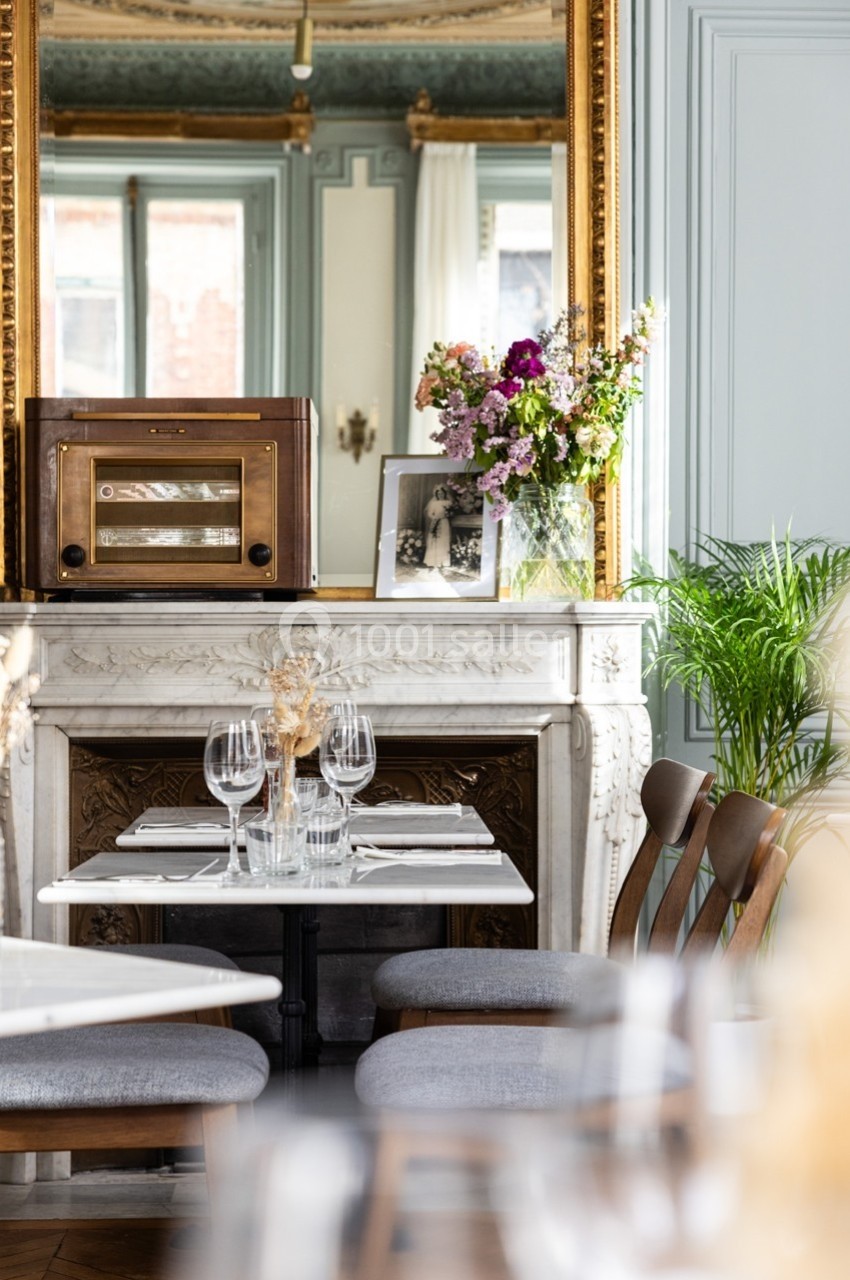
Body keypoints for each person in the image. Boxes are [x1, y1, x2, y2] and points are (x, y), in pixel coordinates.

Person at [423, 485, 454, 569]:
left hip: (444, 522)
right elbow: (430, 514)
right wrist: (435, 518)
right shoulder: (434, 503)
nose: (441, 495)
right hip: (436, 522)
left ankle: (444, 561)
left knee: (444, 539)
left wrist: (447, 515)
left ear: (445, 494)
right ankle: (434, 561)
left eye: (442, 493)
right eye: (439, 493)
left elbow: (451, 513)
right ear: (437, 494)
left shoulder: (448, 503)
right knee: (435, 540)